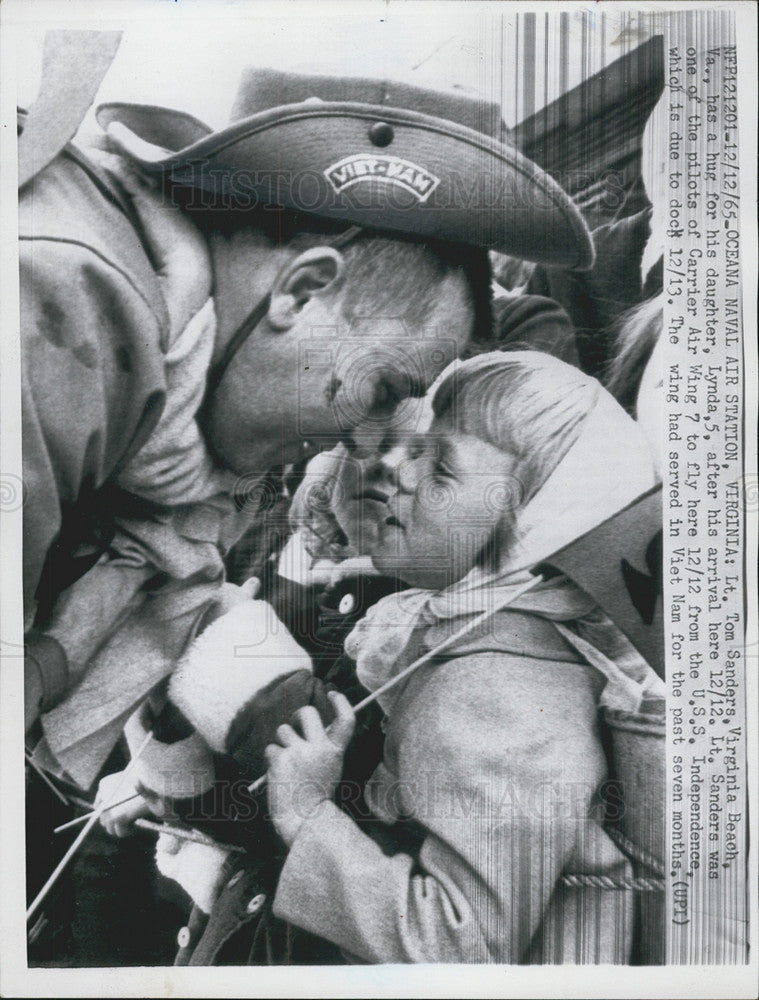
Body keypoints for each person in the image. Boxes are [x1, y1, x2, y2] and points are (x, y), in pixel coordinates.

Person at [21, 63, 594, 780]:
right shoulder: (59, 303)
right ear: (302, 289)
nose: (365, 442)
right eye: (382, 390)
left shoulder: (172, 386)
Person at [106, 350, 663, 964]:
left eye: (440, 469)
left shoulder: (505, 692)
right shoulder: (456, 644)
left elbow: (464, 946)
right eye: (415, 448)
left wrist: (309, 814)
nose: (394, 468)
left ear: (532, 538)